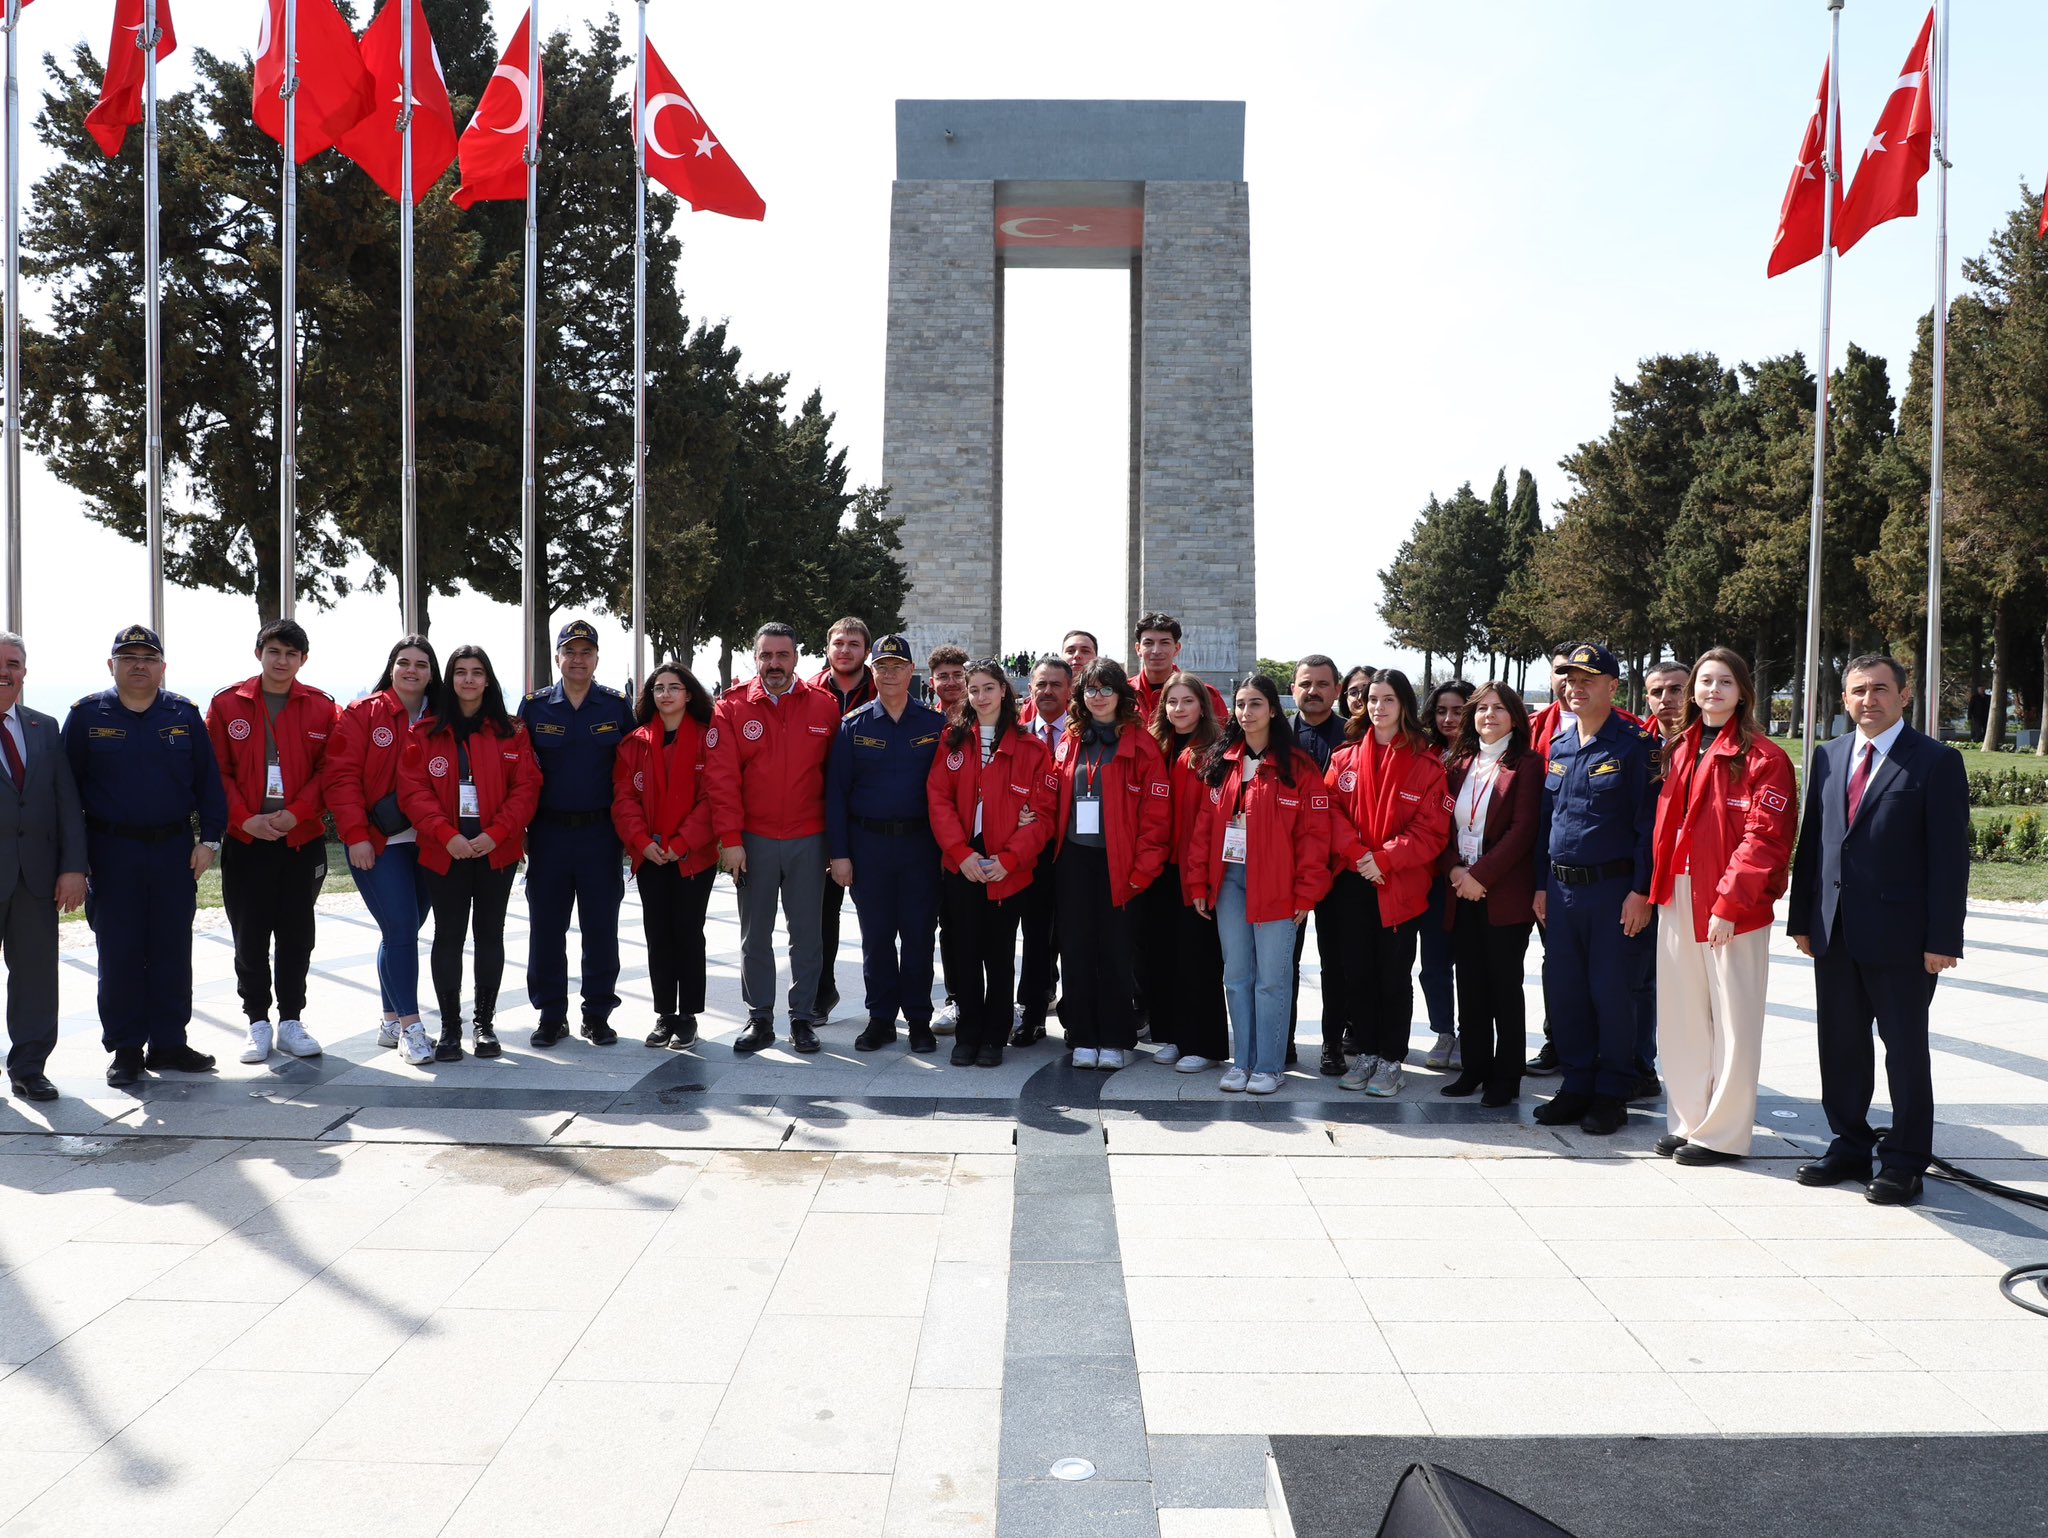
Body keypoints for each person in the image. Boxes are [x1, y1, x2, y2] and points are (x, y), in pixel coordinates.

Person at [1787, 654, 1968, 1206]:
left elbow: (1949, 857)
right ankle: (1848, 1143)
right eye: (1859, 691)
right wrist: (1802, 919)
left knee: (1905, 1052)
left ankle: (1905, 1161)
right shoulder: (1829, 755)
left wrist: (1943, 940)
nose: (1870, 700)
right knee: (1839, 1045)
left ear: (1904, 696)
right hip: (1834, 933)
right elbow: (1814, 843)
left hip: (1904, 940)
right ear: (1844, 699)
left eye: (1882, 689)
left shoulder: (1936, 761)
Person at [64, 625, 228, 1087]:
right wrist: (76, 859)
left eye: (148, 657)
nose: (139, 664)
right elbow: (65, 795)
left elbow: (210, 785)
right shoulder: (86, 716)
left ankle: (170, 1042)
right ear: (111, 665)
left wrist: (209, 840)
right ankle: (126, 1049)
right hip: (111, 853)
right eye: (129, 656)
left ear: (163, 667)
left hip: (174, 852)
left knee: (172, 948)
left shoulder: (183, 713)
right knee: (119, 952)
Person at [1649, 649, 1796, 1166]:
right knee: (1681, 1016)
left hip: (1733, 903)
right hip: (1676, 893)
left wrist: (1729, 904)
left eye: (1724, 682)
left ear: (1742, 692)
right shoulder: (1680, 747)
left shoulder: (1763, 758)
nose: (1713, 690)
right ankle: (1690, 1119)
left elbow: (1765, 839)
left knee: (1735, 1020)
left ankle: (1723, 1135)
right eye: (1705, 681)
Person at [1531, 642, 1658, 1136]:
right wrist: (1540, 884)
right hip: (1562, 894)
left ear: (1612, 686)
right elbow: (1549, 823)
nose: (1575, 687)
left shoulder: (1637, 746)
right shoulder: (1560, 747)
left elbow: (1649, 828)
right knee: (1566, 994)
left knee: (1613, 995)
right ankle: (1577, 1083)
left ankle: (1612, 1091)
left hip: (1614, 893)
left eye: (1587, 680)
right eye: (1569, 679)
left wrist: (1641, 891)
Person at [1187, 674, 1332, 1094]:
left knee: (1272, 977)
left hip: (1279, 886)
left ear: (1273, 709)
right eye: (1240, 704)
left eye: (1255, 704)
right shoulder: (1223, 762)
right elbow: (1203, 829)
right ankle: (1242, 1061)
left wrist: (1307, 892)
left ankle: (1269, 1066)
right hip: (1229, 880)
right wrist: (1199, 881)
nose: (1246, 712)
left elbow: (1314, 837)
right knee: (1236, 975)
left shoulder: (1298, 767)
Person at [205, 619, 338, 1064]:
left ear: (303, 659)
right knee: (250, 933)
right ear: (258, 653)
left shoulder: (322, 708)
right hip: (247, 841)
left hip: (301, 839)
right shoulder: (227, 704)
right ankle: (257, 1021)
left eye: (291, 654)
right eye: (274, 651)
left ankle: (292, 1021)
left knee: (297, 933)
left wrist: (295, 813)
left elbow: (329, 773)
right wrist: (245, 821)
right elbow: (215, 773)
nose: (282, 661)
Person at [400, 646, 541, 1061]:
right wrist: (447, 835)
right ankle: (449, 1029)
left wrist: (496, 834)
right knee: (447, 937)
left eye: (477, 673)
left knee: (489, 936)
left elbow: (526, 788)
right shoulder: (424, 733)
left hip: (495, 852)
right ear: (450, 679)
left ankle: (484, 1025)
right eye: (460, 672)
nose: (468, 680)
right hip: (445, 853)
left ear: (488, 680)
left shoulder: (512, 731)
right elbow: (413, 791)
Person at [706, 622, 842, 1054]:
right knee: (755, 934)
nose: (774, 664)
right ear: (755, 658)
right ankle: (759, 1018)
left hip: (809, 838)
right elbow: (722, 780)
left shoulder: (824, 707)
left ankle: (802, 1018)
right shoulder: (731, 707)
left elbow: (836, 782)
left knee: (807, 935)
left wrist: (835, 845)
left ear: (797, 657)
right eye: (766, 656)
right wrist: (730, 839)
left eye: (782, 655)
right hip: (754, 840)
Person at [1325, 670, 1449, 1096]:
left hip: (1398, 885)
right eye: (1372, 699)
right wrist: (1360, 858)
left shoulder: (1426, 762)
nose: (1378, 707)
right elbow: (1329, 813)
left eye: (1388, 700)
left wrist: (1383, 860)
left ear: (1405, 707)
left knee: (1393, 977)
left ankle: (1392, 1059)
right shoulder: (1343, 759)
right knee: (1356, 974)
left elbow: (1431, 830)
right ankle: (1367, 1054)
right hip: (1353, 880)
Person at [927, 658, 1056, 1066]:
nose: (981, 697)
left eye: (988, 688)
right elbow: (939, 801)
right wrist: (960, 854)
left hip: (1007, 870)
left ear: (1004, 690)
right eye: (974, 689)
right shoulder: (952, 741)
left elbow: (1043, 814)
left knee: (999, 955)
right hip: (961, 865)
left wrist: (1010, 858)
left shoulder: (1031, 749)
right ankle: (968, 1033)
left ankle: (995, 1036)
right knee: (963, 952)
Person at [518, 620, 636, 1050]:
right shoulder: (534, 707)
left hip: (600, 835)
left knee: (601, 928)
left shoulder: (615, 706)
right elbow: (519, 771)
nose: (578, 659)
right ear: (558, 658)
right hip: (548, 834)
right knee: (545, 928)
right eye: (571, 651)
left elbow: (633, 770)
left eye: (586, 652)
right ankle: (551, 1015)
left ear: (597, 658)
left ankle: (597, 1014)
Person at [1050, 659, 1171, 1069]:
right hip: (1074, 862)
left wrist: (1142, 871)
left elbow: (1157, 818)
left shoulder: (1142, 745)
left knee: (1117, 953)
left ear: (1122, 695)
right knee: (1077, 949)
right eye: (1090, 690)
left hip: (1122, 864)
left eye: (1106, 689)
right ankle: (1083, 1034)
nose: (1098, 697)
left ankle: (1117, 1037)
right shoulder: (1070, 741)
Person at [827, 635, 946, 1054]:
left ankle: (918, 1020)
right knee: (876, 937)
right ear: (872, 671)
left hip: (921, 848)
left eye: (898, 666)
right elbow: (836, 794)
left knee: (918, 937)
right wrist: (839, 854)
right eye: (883, 666)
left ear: (912, 671)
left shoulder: (935, 726)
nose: (890, 673)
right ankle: (880, 1019)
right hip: (869, 847)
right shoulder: (853, 725)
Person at [324, 636, 439, 1067]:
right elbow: (341, 778)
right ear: (392, 667)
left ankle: (390, 1018)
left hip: (430, 842)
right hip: (379, 843)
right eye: (404, 662)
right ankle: (412, 1028)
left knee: (401, 930)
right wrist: (355, 836)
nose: (412, 670)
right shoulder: (363, 713)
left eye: (422, 664)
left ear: (432, 672)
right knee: (402, 930)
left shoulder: (441, 716)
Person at [1439, 682, 1542, 1106]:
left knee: (1504, 987)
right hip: (1461, 888)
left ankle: (1506, 1076)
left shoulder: (1529, 765)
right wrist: (1456, 871)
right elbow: (1440, 824)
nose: (1489, 716)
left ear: (1515, 717)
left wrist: (1480, 875)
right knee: (1471, 986)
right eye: (1482, 709)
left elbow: (1523, 832)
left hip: (1503, 894)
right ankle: (1474, 1067)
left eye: (1499, 709)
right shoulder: (1458, 762)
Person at [613, 662, 719, 1051]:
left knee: (688, 934)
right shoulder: (634, 743)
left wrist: (683, 842)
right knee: (658, 935)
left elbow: (713, 798)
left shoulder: (710, 740)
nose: (666, 694)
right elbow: (624, 800)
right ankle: (664, 1014)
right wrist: (642, 842)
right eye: (659, 688)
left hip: (693, 856)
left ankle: (688, 1014)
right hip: (650, 856)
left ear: (689, 693)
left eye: (675, 687)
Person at [0, 632, 86, 1102]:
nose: (5, 672)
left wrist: (74, 867)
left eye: (13, 663)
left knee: (34, 976)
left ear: (24, 673)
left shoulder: (44, 727)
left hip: (35, 877)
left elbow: (65, 802)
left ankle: (29, 1067)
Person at [1137, 672, 1228, 1072]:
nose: (1179, 709)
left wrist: (1204, 875)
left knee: (1198, 959)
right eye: (1171, 702)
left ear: (1202, 706)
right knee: (1163, 955)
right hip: (1162, 864)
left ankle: (1203, 1043)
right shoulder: (1158, 745)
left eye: (1187, 701)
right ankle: (1173, 1034)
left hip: (1197, 867)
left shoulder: (1216, 753)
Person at [1288, 655, 1354, 1075]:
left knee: (1338, 962)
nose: (1313, 691)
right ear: (1292, 688)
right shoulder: (1273, 733)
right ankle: (1283, 1041)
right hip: (1283, 867)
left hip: (1338, 868)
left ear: (1337, 690)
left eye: (1323, 684)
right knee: (1282, 961)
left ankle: (1333, 1045)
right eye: (1305, 683)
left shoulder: (1353, 736)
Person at [812, 617, 878, 1020]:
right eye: (838, 643)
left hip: (870, 818)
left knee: (878, 917)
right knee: (819, 914)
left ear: (866, 651)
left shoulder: (887, 688)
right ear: (828, 648)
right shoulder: (808, 693)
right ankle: (822, 990)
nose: (845, 650)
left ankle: (884, 1002)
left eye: (854, 644)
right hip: (819, 817)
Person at [1012, 656, 1073, 1046]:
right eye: (1041, 685)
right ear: (1029, 690)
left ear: (1070, 689)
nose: (1047, 691)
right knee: (1034, 937)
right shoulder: (1016, 736)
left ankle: (1077, 1017)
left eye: (1055, 684)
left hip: (1075, 851)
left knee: (1076, 938)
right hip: (1030, 852)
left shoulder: (1084, 735)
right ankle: (1031, 1013)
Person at [1417, 679, 1474, 1072]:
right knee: (1434, 960)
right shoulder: (1425, 755)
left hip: (1475, 875)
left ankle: (1471, 1033)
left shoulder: (1486, 755)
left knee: (1471, 961)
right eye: (1441, 711)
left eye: (1457, 710)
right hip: (1432, 872)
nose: (1449, 718)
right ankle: (1444, 1031)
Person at [926, 644, 970, 1034]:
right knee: (948, 924)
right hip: (932, 843)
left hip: (979, 841)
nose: (952, 682)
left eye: (959, 674)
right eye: (944, 676)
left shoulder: (986, 720)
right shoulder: (925, 722)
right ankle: (956, 997)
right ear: (932, 682)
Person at [1131, 612, 1226, 724]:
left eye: (1164, 643)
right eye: (1148, 643)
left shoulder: (1206, 695)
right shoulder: (1123, 693)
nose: (1156, 651)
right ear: (1138, 649)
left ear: (1177, 648)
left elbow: (1224, 738)